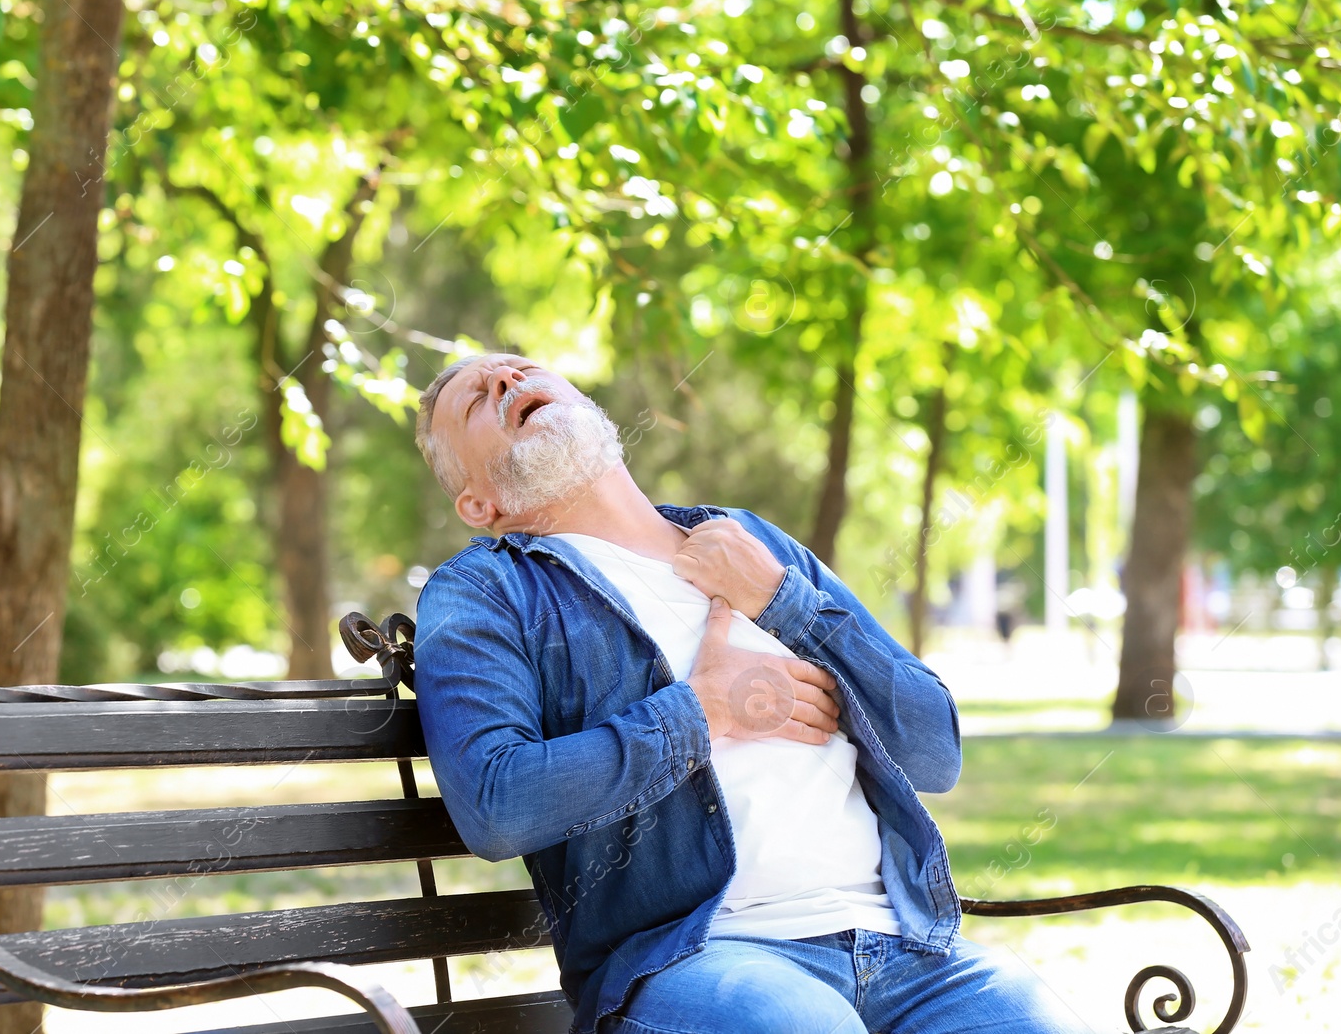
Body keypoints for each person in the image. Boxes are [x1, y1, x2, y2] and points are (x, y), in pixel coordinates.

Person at [410, 353, 1090, 1034]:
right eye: (475, 400)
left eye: (522, 368)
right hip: (701, 960)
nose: (506, 382)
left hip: (903, 949)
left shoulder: (755, 543)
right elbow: (496, 805)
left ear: (590, 405)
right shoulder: (487, 592)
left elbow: (934, 750)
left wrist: (782, 601)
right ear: (479, 504)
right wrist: (706, 710)